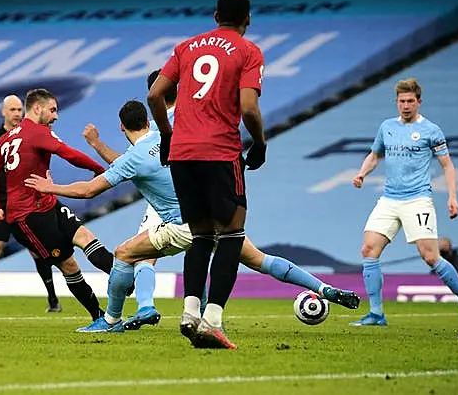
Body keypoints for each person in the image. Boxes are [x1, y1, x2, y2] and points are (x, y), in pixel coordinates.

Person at [33, 95, 358, 334]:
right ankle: (324, 289)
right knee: (260, 260)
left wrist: (51, 188)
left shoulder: (133, 158)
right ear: (148, 121)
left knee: (124, 253)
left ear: (122, 127)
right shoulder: (170, 136)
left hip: (183, 224)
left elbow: (90, 190)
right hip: (218, 215)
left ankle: (111, 320)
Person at [147, 0, 266, 350]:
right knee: (231, 233)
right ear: (248, 19)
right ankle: (213, 319)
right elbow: (248, 107)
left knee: (200, 235)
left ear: (215, 16)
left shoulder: (186, 47)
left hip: (182, 152)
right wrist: (259, 143)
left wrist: (168, 136)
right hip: (220, 151)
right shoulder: (248, 51)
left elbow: (154, 95)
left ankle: (189, 312)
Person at [350, 78, 458, 329]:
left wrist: (452, 196)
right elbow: (375, 155)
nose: (405, 106)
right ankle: (376, 313)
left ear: (419, 102)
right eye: (401, 101)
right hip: (389, 199)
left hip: (417, 199)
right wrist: (363, 173)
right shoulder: (387, 127)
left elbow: (447, 165)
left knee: (430, 257)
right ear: (396, 102)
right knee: (368, 250)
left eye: (410, 101)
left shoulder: (431, 130)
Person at [0, 88, 114, 324]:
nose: (56, 116)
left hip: (48, 202)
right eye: (52, 110)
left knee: (86, 236)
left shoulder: (7, 137)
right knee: (69, 264)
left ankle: (125, 281)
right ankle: (99, 317)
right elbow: (69, 154)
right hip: (27, 216)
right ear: (37, 108)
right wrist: (100, 170)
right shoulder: (37, 132)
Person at [0, 95, 61, 313]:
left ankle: (53, 300)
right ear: (3, 112)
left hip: (28, 206)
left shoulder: (31, 135)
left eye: (20, 109)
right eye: (12, 110)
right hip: (2, 207)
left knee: (37, 252)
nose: (17, 113)